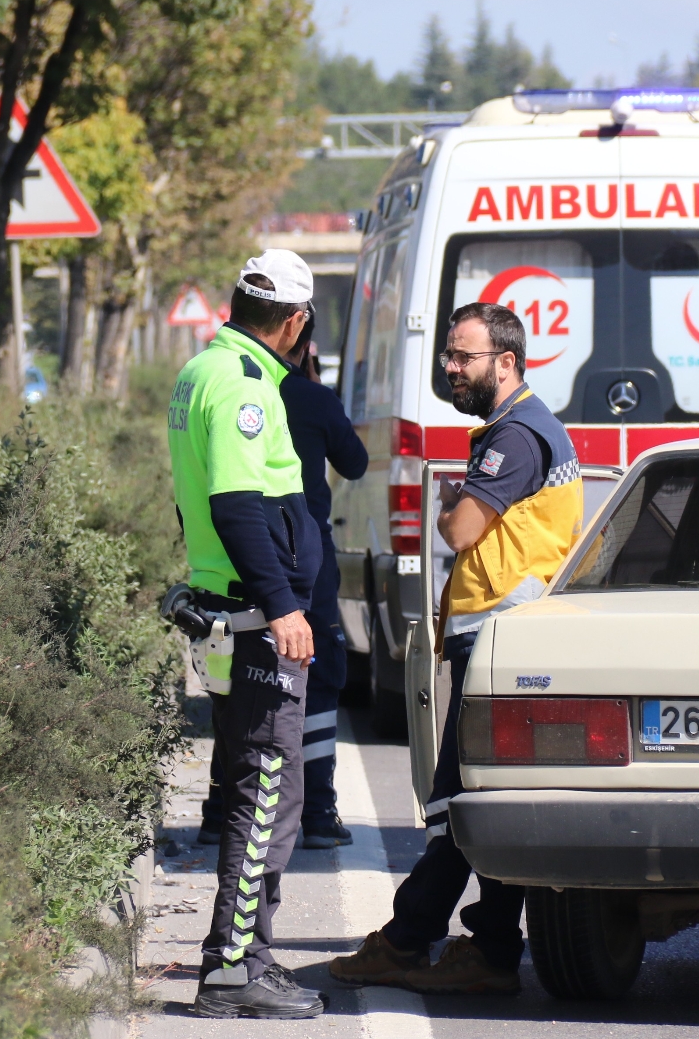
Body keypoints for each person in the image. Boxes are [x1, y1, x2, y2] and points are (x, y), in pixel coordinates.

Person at [327, 301, 583, 996]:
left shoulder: (517, 436)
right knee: (481, 798)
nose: (451, 369)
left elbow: (460, 530)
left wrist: (448, 504)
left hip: (503, 635)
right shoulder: (518, 428)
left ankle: (413, 941)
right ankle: (485, 949)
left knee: (461, 799)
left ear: (506, 362)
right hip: (504, 633)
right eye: (448, 356)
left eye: (462, 357)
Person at [167, 249, 326, 1019]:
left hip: (235, 611)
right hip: (259, 621)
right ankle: (232, 970)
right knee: (265, 793)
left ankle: (245, 959)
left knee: (261, 787)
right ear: (295, 323)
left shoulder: (203, 370)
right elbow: (236, 505)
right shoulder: (242, 387)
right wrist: (284, 606)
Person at [198, 310, 368, 849]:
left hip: (230, 562)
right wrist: (318, 392)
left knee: (236, 683)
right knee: (319, 676)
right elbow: (356, 462)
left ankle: (220, 806)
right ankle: (316, 811)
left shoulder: (220, 381)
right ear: (300, 341)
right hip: (300, 564)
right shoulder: (308, 398)